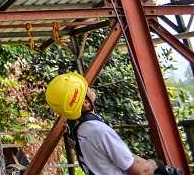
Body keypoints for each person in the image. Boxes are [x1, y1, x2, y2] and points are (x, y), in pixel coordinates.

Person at [46, 73, 179, 175]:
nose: (91, 89)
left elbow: (118, 156)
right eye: (86, 89)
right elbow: (140, 171)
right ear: (85, 103)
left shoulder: (74, 128)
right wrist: (155, 164)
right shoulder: (98, 130)